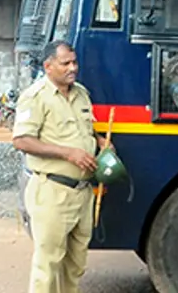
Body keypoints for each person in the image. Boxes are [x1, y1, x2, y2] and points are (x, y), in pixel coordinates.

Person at [12, 40, 111, 293]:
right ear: (48, 66)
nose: (72, 68)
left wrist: (101, 144)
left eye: (74, 62)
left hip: (83, 193)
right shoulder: (35, 97)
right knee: (48, 266)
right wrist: (68, 153)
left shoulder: (81, 94)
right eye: (65, 63)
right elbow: (21, 140)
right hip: (52, 192)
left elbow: (86, 130)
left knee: (75, 265)